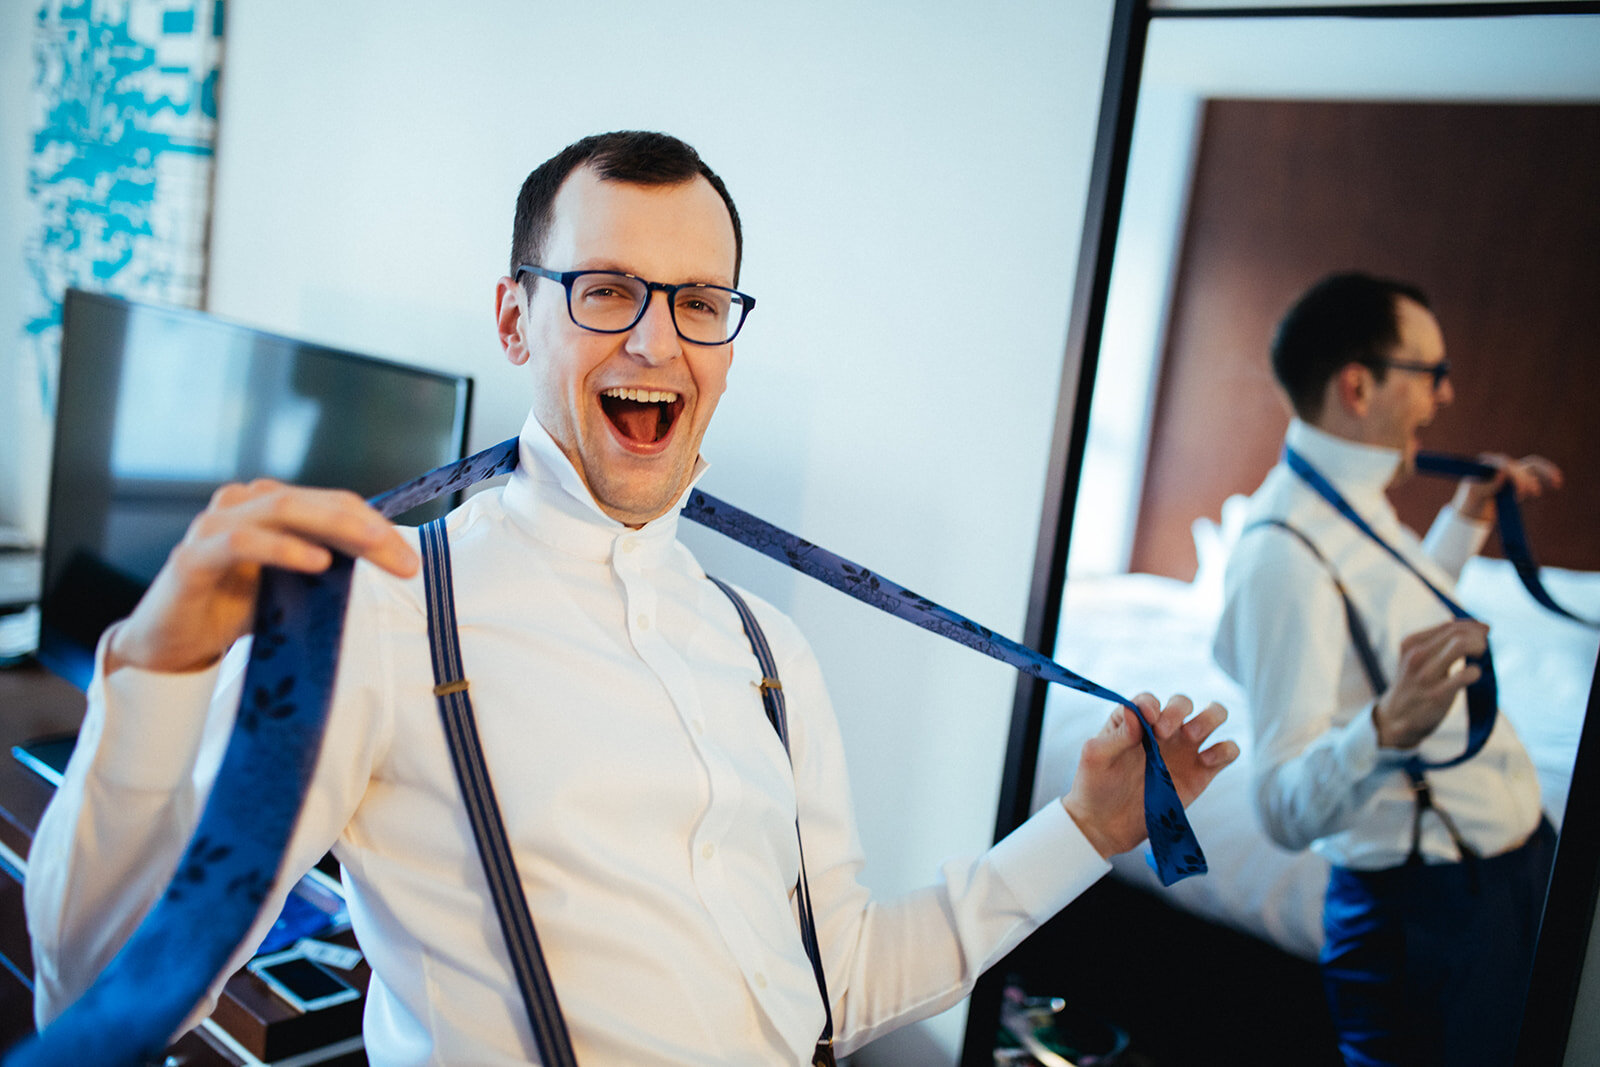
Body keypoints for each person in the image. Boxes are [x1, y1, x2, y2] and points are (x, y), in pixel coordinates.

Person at [28, 131, 1237, 1066]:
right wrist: (151, 671)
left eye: (697, 302)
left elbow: (843, 981)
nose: (658, 341)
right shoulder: (384, 617)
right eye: (605, 288)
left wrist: (1083, 833)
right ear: (516, 316)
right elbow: (100, 992)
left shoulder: (773, 652)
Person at [1212, 272, 1563, 1067]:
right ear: (1359, 385)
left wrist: (1465, 524)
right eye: (1431, 373)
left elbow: (1386, 622)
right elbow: (1277, 804)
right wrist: (1381, 731)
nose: (1445, 396)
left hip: (1505, 874)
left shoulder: (1354, 504)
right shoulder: (1282, 556)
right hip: (1428, 923)